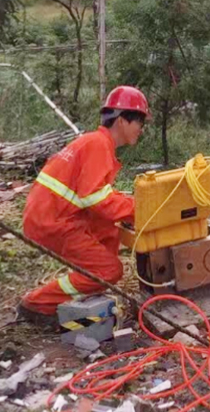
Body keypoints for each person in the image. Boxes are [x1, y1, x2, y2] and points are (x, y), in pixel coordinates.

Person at [19, 86, 150, 320]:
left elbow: (98, 195)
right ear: (122, 120)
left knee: (108, 231)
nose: (141, 129)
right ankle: (38, 303)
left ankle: (92, 284)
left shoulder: (95, 143)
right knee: (109, 270)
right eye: (139, 122)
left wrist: (130, 205)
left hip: (52, 214)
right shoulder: (98, 145)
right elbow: (95, 198)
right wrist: (140, 210)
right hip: (53, 221)